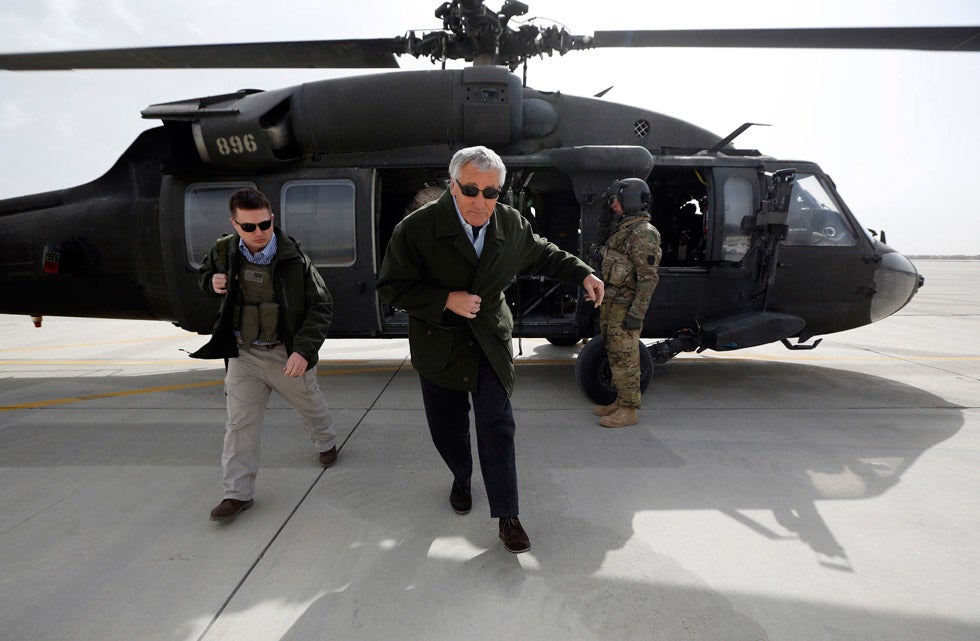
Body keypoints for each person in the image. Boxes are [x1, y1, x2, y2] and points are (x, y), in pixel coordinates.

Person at [377, 146, 604, 553]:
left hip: (488, 340)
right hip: (440, 342)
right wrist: (445, 300)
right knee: (448, 428)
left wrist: (583, 272)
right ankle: (461, 478)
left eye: (491, 192)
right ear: (453, 186)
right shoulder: (415, 229)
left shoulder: (510, 224)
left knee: (497, 426)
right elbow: (392, 287)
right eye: (471, 189)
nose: (481, 201)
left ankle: (507, 515)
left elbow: (543, 253)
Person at [190, 187, 337, 523]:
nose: (259, 233)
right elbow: (203, 276)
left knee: (310, 405)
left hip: (285, 355)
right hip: (244, 355)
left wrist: (302, 350)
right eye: (249, 227)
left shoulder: (293, 258)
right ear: (234, 224)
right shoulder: (223, 250)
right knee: (239, 424)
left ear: (273, 218)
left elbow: (322, 306)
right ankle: (236, 494)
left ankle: (326, 441)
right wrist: (210, 282)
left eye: (265, 224)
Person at [593, 178, 662, 428]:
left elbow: (648, 278)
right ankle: (621, 401)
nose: (613, 206)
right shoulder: (624, 229)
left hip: (625, 307)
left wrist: (637, 313)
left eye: (616, 200)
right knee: (614, 353)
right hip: (613, 304)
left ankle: (630, 410)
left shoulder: (643, 234)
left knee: (627, 357)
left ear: (629, 200)